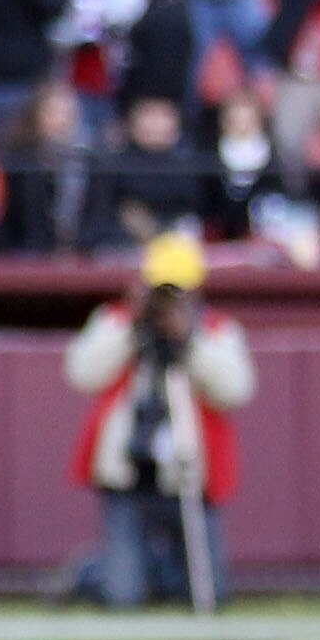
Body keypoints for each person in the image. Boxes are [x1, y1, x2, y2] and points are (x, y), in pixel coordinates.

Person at [64, 232, 257, 609]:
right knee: (122, 597)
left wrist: (188, 342)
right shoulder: (117, 321)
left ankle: (162, 574)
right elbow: (82, 373)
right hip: (130, 473)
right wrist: (134, 330)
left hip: (188, 475)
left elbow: (235, 390)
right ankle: (92, 573)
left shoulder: (216, 330)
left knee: (207, 594)